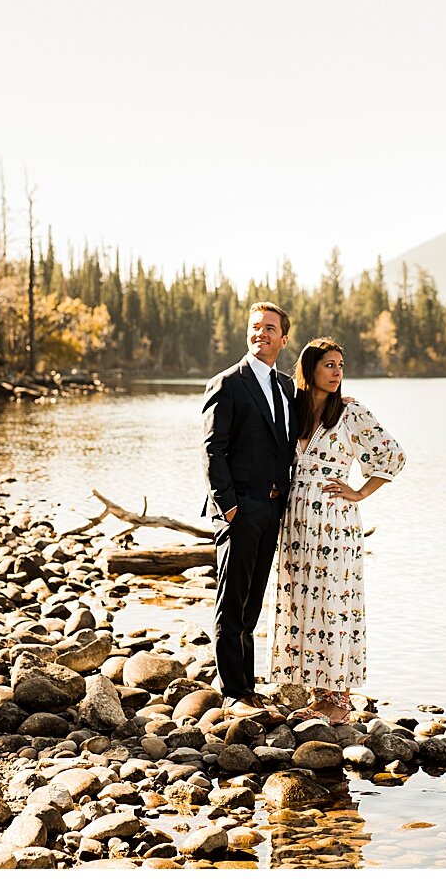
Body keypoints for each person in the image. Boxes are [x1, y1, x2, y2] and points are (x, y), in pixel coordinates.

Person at [272, 337, 405, 724]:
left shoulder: (350, 411)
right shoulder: (293, 409)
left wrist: (360, 491)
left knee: (334, 604)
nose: (336, 373)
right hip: (296, 521)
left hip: (333, 523)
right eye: (329, 365)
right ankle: (319, 694)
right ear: (309, 367)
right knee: (302, 602)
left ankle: (341, 700)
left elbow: (393, 455)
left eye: (340, 366)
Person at [201, 302, 296, 713]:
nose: (262, 334)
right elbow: (211, 450)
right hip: (239, 511)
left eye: (270, 328)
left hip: (272, 511)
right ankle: (232, 691)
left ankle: (247, 685)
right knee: (231, 601)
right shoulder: (227, 383)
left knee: (253, 603)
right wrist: (229, 508)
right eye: (255, 327)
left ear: (284, 339)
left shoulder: (287, 387)